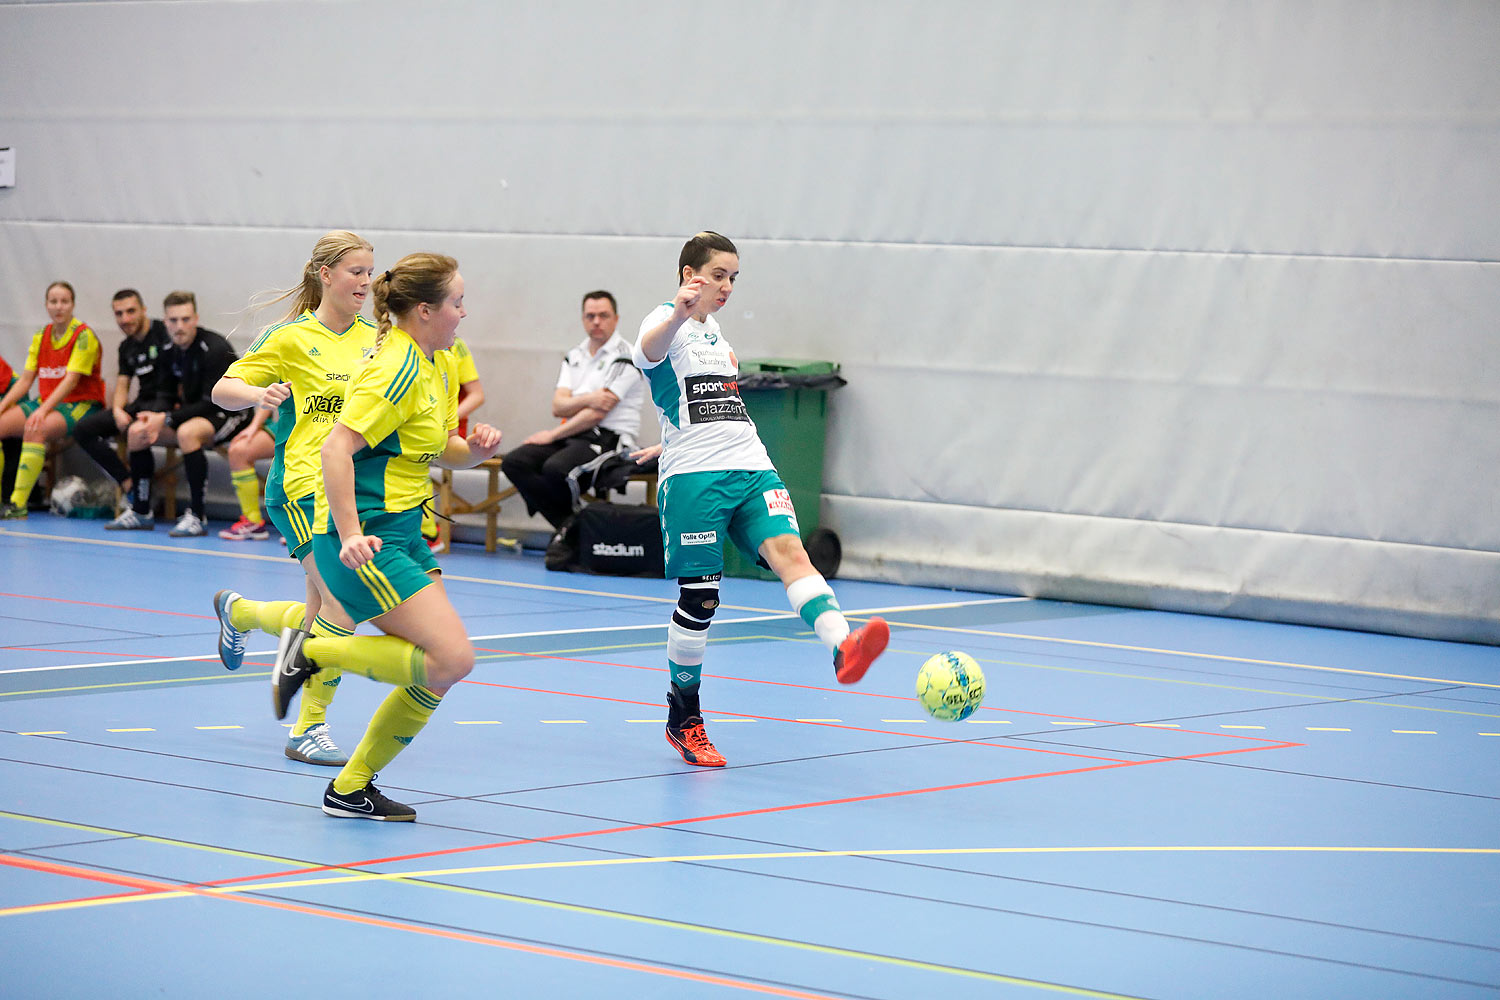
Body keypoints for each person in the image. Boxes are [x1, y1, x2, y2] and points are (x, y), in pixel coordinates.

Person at [633, 232, 889, 767]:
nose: (727, 287)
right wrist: (677, 314)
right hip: (696, 480)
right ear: (689, 275)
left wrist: (669, 431)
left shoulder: (717, 335)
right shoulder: (666, 321)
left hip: (751, 465)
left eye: (734, 278)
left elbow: (706, 400)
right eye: (718, 275)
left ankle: (843, 647)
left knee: (793, 554)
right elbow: (649, 352)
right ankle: (684, 719)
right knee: (700, 600)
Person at [269, 252, 502, 821]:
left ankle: (351, 788)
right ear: (424, 310)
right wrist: (348, 533)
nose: (464, 314)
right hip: (368, 537)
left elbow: (433, 446)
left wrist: (472, 451)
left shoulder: (434, 363)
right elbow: (335, 448)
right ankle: (313, 647)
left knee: (439, 670)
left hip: (405, 530)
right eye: (457, 303)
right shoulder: (393, 366)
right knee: (452, 658)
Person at [210, 230, 378, 766]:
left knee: (319, 608)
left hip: (348, 490)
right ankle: (309, 727)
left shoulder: (376, 339)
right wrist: (259, 394)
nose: (366, 282)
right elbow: (222, 390)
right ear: (325, 275)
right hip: (300, 488)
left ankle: (240, 613)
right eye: (356, 271)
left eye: (370, 272)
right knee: (341, 603)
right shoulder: (289, 337)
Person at [501, 290, 645, 535]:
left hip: (610, 439)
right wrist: (591, 398)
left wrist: (553, 434)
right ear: (583, 319)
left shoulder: (627, 356)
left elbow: (597, 414)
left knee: (556, 469)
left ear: (616, 319)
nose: (596, 321)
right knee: (515, 462)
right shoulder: (574, 355)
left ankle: (573, 532)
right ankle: (570, 528)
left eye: (603, 315)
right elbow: (558, 406)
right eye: (590, 316)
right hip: (574, 436)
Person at [120, 291, 248, 537]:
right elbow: (166, 395)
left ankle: (197, 516)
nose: (180, 327)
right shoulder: (168, 349)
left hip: (231, 413)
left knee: (188, 433)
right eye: (174, 320)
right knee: (138, 431)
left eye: (186, 319)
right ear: (165, 322)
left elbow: (211, 402)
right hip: (194, 414)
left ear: (196, 318)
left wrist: (166, 419)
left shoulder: (214, 348)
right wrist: (153, 416)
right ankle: (141, 510)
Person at [68, 289, 175, 529]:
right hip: (143, 401)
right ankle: (128, 482)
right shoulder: (126, 346)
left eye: (131, 311)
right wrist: (117, 409)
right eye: (119, 314)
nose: (125, 319)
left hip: (166, 402)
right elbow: (123, 383)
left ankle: (142, 507)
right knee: (83, 430)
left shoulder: (164, 333)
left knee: (138, 430)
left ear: (144, 310)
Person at [0, 281, 107, 518]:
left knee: (35, 428)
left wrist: (42, 411)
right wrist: (3, 406)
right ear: (46, 305)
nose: (59, 307)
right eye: (53, 301)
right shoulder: (41, 335)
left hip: (81, 404)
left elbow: (70, 381)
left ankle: (17, 505)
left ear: (72, 305)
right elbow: (26, 380)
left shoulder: (83, 335)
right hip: (48, 402)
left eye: (64, 301)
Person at [420, 332, 484, 553]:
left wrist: (446, 418)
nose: (461, 311)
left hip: (450, 428)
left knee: (415, 461)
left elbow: (477, 395)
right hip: (420, 423)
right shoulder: (403, 346)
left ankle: (429, 533)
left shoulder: (455, 347)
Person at [218, 406, 277, 540]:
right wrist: (254, 425)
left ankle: (310, 528)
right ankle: (253, 521)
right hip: (287, 423)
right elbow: (270, 395)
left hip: (321, 424)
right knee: (239, 452)